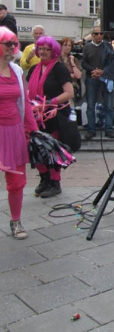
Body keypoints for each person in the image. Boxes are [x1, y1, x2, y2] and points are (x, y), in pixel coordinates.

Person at [0, 27, 38, 238]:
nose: (13, 48)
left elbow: (24, 101)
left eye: (14, 44)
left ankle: (16, 221)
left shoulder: (17, 71)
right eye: (8, 44)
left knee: (16, 181)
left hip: (13, 131)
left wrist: (33, 131)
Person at [26, 36, 74, 198]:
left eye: (47, 49)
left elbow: (69, 93)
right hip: (35, 115)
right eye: (40, 49)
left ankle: (55, 182)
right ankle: (44, 179)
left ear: (53, 51)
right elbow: (27, 92)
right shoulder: (33, 69)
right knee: (36, 148)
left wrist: (49, 103)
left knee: (52, 150)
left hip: (54, 114)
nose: (43, 52)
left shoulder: (59, 68)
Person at [81, 26, 114, 139]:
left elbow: (112, 62)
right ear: (92, 35)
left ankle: (109, 128)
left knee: (109, 105)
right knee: (90, 105)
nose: (99, 35)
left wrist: (102, 72)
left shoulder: (108, 46)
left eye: (101, 33)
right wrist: (93, 70)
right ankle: (91, 129)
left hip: (106, 78)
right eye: (96, 34)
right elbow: (83, 62)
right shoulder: (87, 47)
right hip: (91, 77)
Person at [59, 38, 83, 107]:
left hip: (71, 89)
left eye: (69, 46)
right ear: (61, 46)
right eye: (65, 45)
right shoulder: (56, 59)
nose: (67, 47)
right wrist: (71, 75)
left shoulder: (74, 59)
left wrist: (72, 62)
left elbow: (78, 75)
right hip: (59, 88)